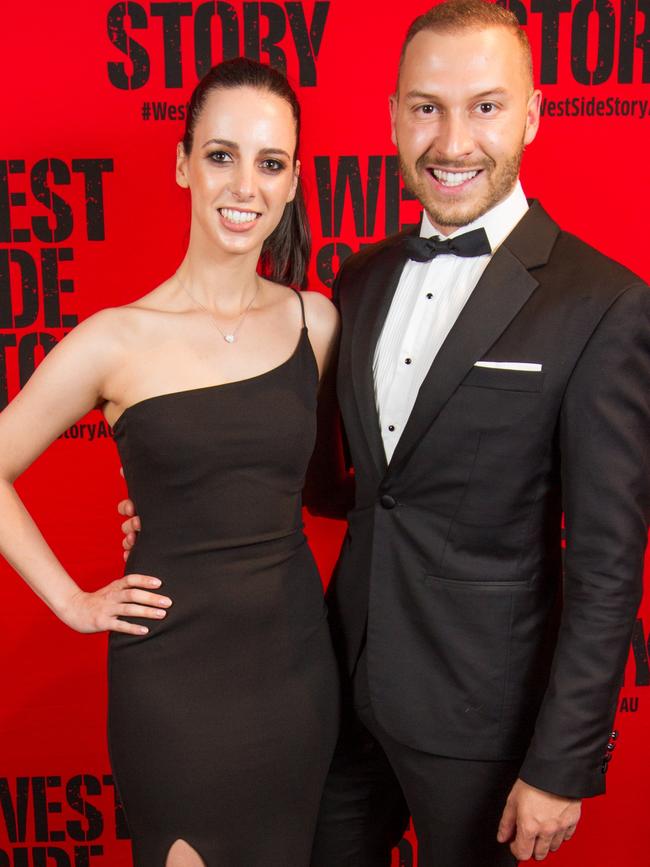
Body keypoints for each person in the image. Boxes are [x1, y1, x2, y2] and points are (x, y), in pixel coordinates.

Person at [118, 3, 649, 866]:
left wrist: (561, 763)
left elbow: (608, 564)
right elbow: (339, 477)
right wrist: (194, 506)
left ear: (533, 114)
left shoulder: (602, 304)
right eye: (426, 107)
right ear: (395, 117)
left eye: (484, 106)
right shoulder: (359, 281)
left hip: (484, 725)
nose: (452, 140)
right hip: (333, 692)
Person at [0, 57, 346, 867]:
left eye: (270, 163)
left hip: (296, 670)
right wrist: (72, 601)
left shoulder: (319, 324)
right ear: (183, 161)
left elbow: (348, 485)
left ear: (293, 181)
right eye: (221, 155)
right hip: (174, 681)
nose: (244, 185)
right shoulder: (116, 339)